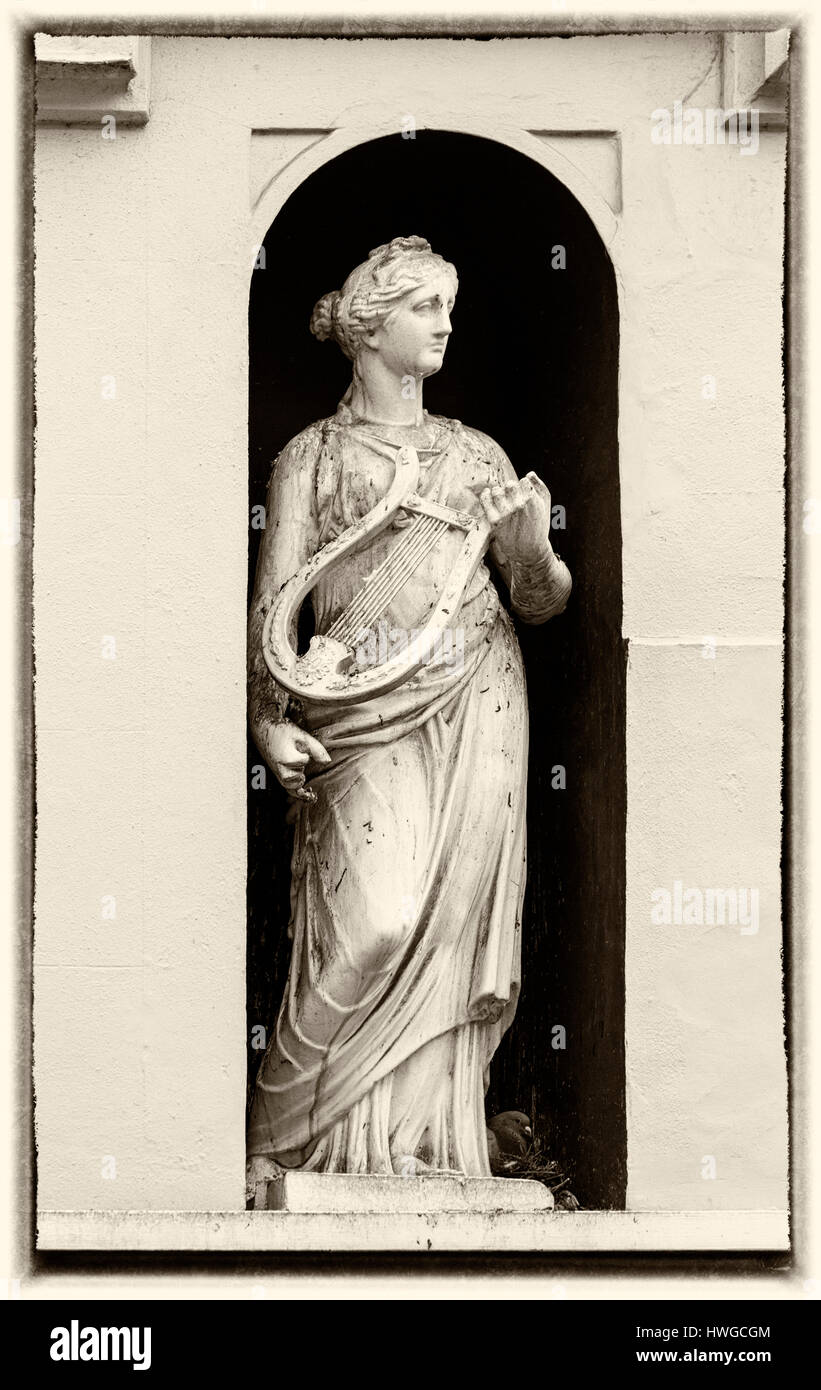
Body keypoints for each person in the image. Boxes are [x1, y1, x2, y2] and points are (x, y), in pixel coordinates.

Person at [246, 236, 571, 1185]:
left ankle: (424, 1148)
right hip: (356, 708)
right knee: (378, 920)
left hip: (477, 690)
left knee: (451, 931)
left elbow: (541, 600)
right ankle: (287, 1141)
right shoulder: (311, 456)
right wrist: (267, 722)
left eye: (448, 307)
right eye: (425, 307)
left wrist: (530, 547)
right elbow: (278, 606)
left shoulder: (476, 454)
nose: (444, 324)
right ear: (369, 327)